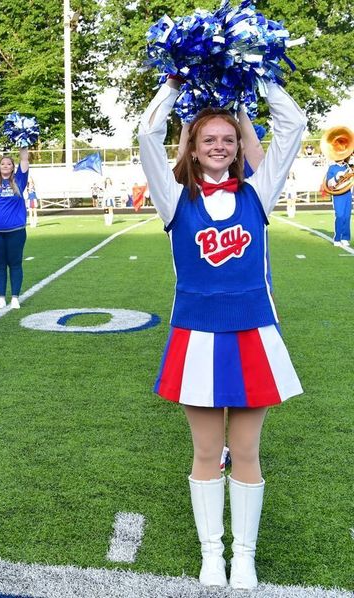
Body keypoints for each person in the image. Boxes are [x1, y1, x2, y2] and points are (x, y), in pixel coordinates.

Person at [138, 75, 306, 589]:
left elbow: (294, 125)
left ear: (237, 149)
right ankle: (213, 554)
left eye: (227, 140)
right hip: (196, 336)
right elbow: (146, 136)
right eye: (208, 139)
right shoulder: (173, 198)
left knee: (248, 451)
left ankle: (245, 557)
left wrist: (262, 77)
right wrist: (174, 83)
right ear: (192, 145)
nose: (218, 147)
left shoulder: (259, 192)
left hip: (253, 332)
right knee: (207, 452)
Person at [0, 147, 30, 309]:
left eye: (9, 163)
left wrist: (23, 141)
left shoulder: (19, 181)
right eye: (2, 163)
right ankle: (1, 297)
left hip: (16, 231)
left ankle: (15, 297)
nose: (5, 165)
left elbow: (24, 160)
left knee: (15, 263)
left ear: (13, 167)